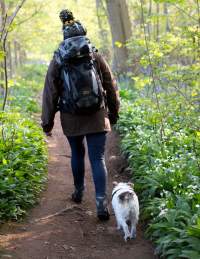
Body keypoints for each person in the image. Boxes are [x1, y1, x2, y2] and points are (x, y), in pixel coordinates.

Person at [41, 9, 120, 221]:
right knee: (98, 158)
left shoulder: (59, 56)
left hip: (71, 116)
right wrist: (113, 112)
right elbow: (110, 85)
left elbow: (50, 92)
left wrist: (47, 123)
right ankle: (101, 202)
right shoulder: (94, 53)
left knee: (77, 153)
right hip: (96, 115)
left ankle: (78, 192)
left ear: (64, 34)